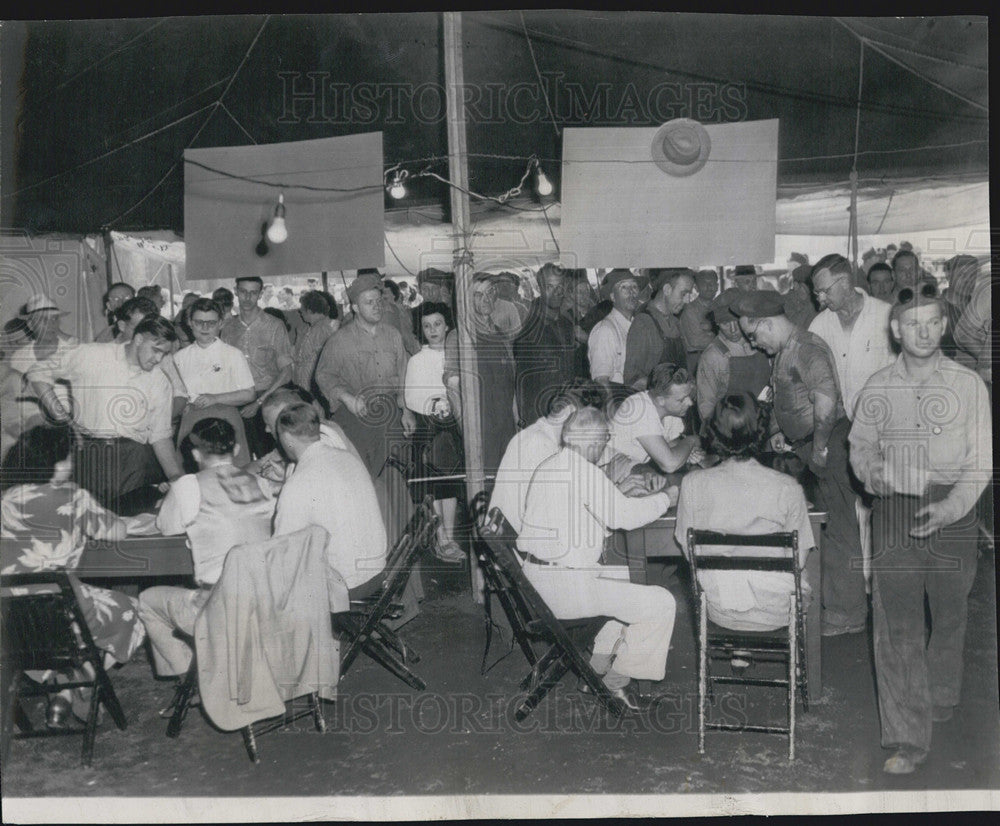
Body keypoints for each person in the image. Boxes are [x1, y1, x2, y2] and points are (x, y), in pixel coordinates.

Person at [849, 283, 992, 775]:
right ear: (895, 329)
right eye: (913, 323)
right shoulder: (878, 388)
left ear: (945, 325)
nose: (924, 332)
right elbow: (860, 448)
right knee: (896, 624)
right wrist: (872, 473)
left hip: (955, 507)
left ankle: (943, 692)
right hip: (895, 512)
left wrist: (953, 507)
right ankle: (907, 737)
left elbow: (982, 461)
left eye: (933, 322)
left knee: (950, 615)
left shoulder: (969, 385)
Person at [517, 406, 678, 708]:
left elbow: (582, 513)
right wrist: (666, 499)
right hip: (561, 589)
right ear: (592, 443)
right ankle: (617, 682)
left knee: (623, 578)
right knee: (661, 602)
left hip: (539, 580)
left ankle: (597, 667)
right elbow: (625, 517)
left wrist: (617, 491)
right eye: (604, 443)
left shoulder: (553, 464)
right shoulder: (582, 471)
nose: (604, 449)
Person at [734, 290, 865, 637]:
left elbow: (825, 401)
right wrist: (782, 430)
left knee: (837, 531)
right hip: (808, 444)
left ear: (766, 323)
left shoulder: (806, 348)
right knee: (823, 527)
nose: (755, 343)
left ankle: (846, 614)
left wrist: (819, 446)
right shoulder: (785, 350)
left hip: (830, 444)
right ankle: (837, 604)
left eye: (754, 335)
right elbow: (789, 395)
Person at [1, 425, 146, 725]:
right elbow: (116, 531)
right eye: (68, 458)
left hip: (11, 622)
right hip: (65, 614)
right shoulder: (72, 497)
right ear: (56, 463)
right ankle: (81, 684)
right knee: (134, 610)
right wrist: (133, 521)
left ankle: (62, 689)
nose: (71, 464)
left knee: (57, 628)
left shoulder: (4, 499)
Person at [138, 418, 276, 678]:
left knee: (147, 600)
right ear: (236, 450)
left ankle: (187, 677)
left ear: (195, 453)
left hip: (221, 610)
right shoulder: (261, 483)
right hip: (266, 601)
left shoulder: (188, 485)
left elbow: (166, 526)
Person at [675, 393, 815, 631]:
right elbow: (799, 560)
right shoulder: (787, 487)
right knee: (808, 567)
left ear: (714, 432)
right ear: (760, 431)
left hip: (719, 608)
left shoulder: (692, 483)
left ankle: (738, 646)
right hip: (777, 609)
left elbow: (689, 552)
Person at [26, 315, 183, 515]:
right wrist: (63, 419)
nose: (159, 359)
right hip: (88, 455)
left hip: (134, 461)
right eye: (156, 350)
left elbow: (160, 436)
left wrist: (176, 477)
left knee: (130, 529)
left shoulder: (159, 381)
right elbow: (37, 373)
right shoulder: (91, 355)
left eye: (165, 354)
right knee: (88, 526)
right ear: (139, 339)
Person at [490, 380, 665, 535]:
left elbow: (615, 456)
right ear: (572, 412)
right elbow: (558, 516)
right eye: (590, 420)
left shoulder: (559, 439)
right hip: (524, 553)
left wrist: (643, 471)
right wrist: (612, 487)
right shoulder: (538, 445)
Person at [272, 402, 387, 595]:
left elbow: (282, 550)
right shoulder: (346, 457)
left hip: (347, 586)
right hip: (377, 572)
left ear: (287, 437)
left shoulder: (299, 482)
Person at [404, 301, 464, 562]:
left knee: (450, 484)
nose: (433, 330)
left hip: (453, 427)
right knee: (433, 486)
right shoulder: (417, 360)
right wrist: (435, 404)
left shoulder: (458, 355)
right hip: (429, 428)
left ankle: (449, 537)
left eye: (437, 324)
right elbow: (411, 397)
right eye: (427, 326)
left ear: (447, 325)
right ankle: (442, 540)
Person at [442, 271, 517, 477]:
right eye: (478, 294)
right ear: (466, 299)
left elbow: (511, 384)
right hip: (480, 427)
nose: (486, 299)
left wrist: (516, 422)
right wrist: (467, 431)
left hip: (506, 425)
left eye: (490, 292)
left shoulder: (501, 334)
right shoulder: (458, 337)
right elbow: (453, 388)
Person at [169, 298, 256, 468]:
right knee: (192, 474)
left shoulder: (233, 354)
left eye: (211, 322)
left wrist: (215, 398)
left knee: (233, 474)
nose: (205, 327)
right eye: (199, 322)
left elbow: (249, 393)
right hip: (191, 422)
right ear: (189, 323)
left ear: (221, 324)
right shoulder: (179, 357)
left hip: (226, 420)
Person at [808, 254, 895, 421]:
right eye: (817, 292)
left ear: (845, 282)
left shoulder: (886, 315)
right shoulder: (819, 325)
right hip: (840, 424)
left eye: (825, 291)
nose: (820, 299)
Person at [220, 276, 294, 459]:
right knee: (239, 459)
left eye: (253, 293)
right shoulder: (228, 328)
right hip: (236, 401)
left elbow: (287, 372)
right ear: (236, 291)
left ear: (260, 294)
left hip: (266, 399)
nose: (247, 298)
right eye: (243, 292)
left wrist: (260, 402)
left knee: (269, 458)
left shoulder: (274, 326)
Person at [609, 362, 702, 475]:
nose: (690, 403)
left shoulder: (671, 412)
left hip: (636, 469)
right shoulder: (639, 408)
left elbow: (671, 443)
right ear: (660, 400)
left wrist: (687, 453)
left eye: (689, 396)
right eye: (682, 400)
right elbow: (669, 464)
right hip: (610, 471)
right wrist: (691, 440)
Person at [512, 263, 576, 426]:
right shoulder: (530, 328)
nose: (556, 292)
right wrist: (529, 423)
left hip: (565, 412)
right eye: (550, 286)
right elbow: (523, 379)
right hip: (540, 418)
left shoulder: (566, 324)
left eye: (560, 286)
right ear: (540, 288)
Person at [695, 288, 772, 425]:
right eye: (725, 324)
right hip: (731, 433)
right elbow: (706, 409)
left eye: (736, 322)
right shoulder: (713, 356)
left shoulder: (763, 345)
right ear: (717, 324)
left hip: (764, 425)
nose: (733, 330)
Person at [624, 268, 695, 388]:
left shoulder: (676, 322)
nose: (687, 301)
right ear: (667, 289)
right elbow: (632, 379)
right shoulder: (643, 324)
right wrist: (668, 388)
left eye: (689, 295)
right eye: (683, 294)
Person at [588, 269, 639, 386]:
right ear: (613, 297)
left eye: (634, 286)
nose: (631, 292)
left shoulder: (638, 326)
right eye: (624, 287)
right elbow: (601, 381)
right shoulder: (605, 330)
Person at [293, 290, 338, 392]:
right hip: (309, 384)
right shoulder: (315, 328)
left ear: (309, 310)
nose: (300, 311)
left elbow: (305, 359)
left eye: (301, 308)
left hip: (313, 386)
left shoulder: (320, 330)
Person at [560, 269, 598, 379]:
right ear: (572, 294)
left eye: (586, 291)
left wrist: (587, 339)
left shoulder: (597, 315)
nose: (584, 295)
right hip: (577, 373)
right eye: (579, 292)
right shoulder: (566, 317)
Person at [679, 270, 718, 375]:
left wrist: (711, 331)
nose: (709, 287)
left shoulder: (721, 308)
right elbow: (697, 341)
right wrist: (721, 334)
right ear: (696, 287)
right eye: (704, 283)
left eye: (712, 283)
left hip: (718, 361)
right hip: (697, 361)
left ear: (717, 286)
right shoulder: (690, 310)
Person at [783, 265, 818, 330]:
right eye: (809, 284)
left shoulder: (819, 299)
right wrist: (811, 304)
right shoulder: (786, 303)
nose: (814, 288)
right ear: (796, 285)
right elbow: (793, 326)